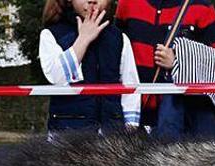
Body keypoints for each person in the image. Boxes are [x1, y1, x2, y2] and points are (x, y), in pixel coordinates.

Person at [115, 0, 215, 139]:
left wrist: (180, 60)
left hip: (183, 121)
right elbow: (115, 52)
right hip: (134, 118)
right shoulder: (127, 4)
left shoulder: (202, 7)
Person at [39, 0, 141, 132]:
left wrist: (130, 130)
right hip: (67, 135)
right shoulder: (51, 35)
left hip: (112, 137)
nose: (92, 0)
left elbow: (130, 88)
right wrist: (83, 40)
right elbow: (58, 78)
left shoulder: (119, 38)